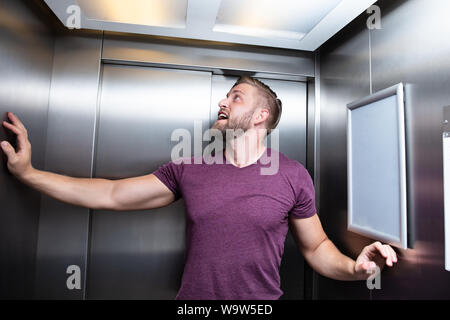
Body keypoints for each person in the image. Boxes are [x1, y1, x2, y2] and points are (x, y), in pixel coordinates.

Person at [1, 76, 397, 300]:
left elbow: (316, 247)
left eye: (235, 97)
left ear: (261, 116)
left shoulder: (293, 175)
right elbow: (111, 194)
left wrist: (354, 268)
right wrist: (29, 174)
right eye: (225, 96)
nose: (223, 103)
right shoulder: (189, 167)